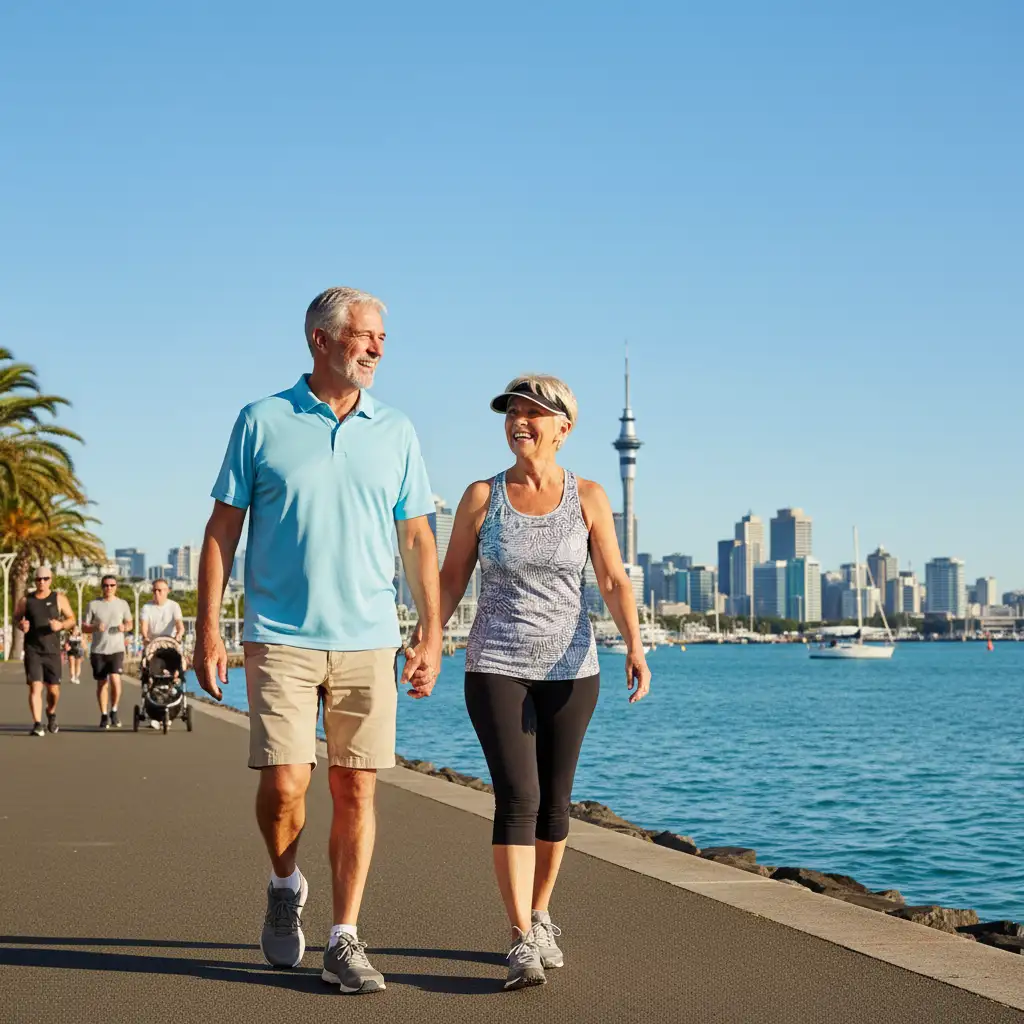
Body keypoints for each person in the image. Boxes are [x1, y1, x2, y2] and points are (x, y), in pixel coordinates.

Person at [194, 286, 442, 995]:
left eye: (382, 339)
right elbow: (221, 531)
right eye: (365, 336)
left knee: (357, 789)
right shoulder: (261, 420)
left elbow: (418, 536)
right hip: (279, 637)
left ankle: (344, 937)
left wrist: (428, 629)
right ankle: (283, 883)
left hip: (369, 639)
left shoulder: (396, 430)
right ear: (321, 341)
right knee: (285, 784)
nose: (377, 349)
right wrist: (212, 630)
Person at [413, 374, 651, 990]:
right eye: (513, 412)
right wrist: (428, 639)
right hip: (495, 663)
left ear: (563, 428)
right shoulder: (480, 496)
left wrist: (635, 644)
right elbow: (449, 580)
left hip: (573, 670)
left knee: (555, 800)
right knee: (517, 795)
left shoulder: (590, 496)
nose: (520, 420)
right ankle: (520, 935)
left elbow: (615, 579)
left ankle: (542, 912)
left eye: (534, 413)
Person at [15, 564, 76, 736]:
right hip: (33, 649)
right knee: (35, 687)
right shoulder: (26, 600)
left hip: (52, 651)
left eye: (45, 579)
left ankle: (51, 712)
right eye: (38, 579)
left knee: (53, 690)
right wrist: (21, 625)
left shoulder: (59, 598)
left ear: (50, 580)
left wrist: (61, 625)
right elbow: (17, 617)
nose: (42, 582)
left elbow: (72, 619)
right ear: (35, 581)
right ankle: (37, 723)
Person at [82, 575, 133, 729]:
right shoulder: (93, 605)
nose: (108, 588)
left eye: (112, 585)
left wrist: (125, 627)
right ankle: (104, 714)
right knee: (102, 683)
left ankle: (114, 710)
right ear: (102, 587)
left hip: (116, 649)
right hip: (98, 650)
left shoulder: (122, 604)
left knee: (116, 680)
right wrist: (95, 627)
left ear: (116, 587)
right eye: (105, 585)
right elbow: (84, 627)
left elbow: (130, 623)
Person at [140, 579, 185, 643]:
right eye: (154, 590)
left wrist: (179, 634)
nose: (156, 593)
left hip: (170, 641)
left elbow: (179, 624)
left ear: (167, 591)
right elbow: (144, 626)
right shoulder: (146, 607)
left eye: (159, 590)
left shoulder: (174, 606)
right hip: (152, 642)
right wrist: (145, 637)